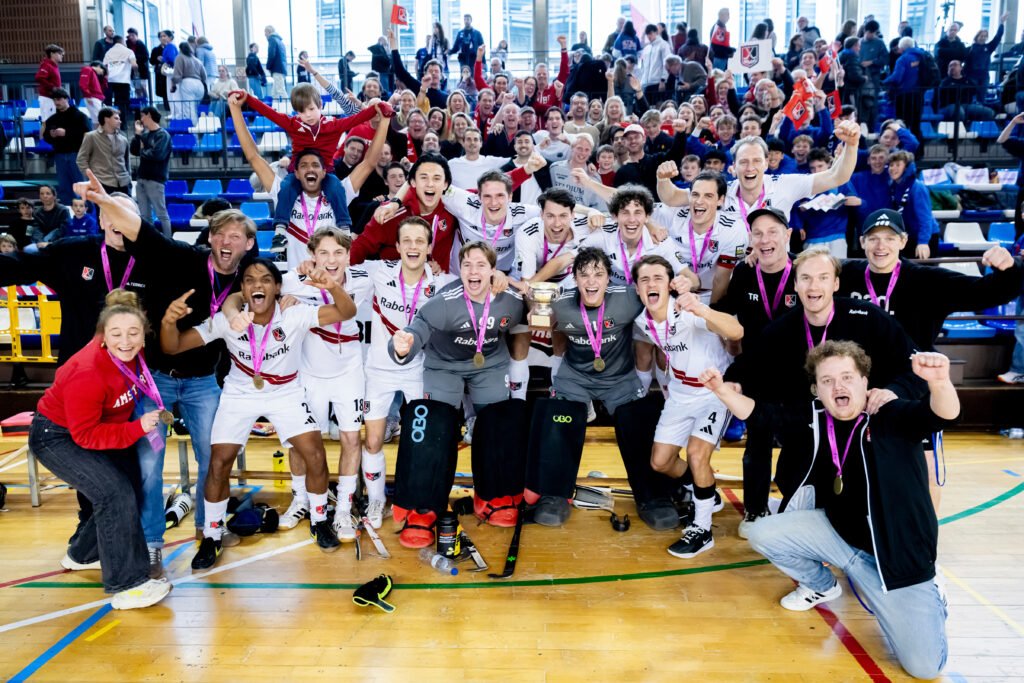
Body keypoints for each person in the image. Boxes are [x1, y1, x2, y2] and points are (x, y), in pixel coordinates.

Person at [705, 342, 956, 680]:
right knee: (761, 532)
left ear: (866, 382)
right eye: (827, 380)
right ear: (817, 389)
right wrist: (721, 391)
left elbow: (940, 414)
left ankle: (933, 595)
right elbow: (761, 413)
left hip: (897, 565)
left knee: (925, 668)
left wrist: (939, 383)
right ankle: (821, 585)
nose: (838, 387)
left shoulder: (891, 415)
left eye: (847, 377)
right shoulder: (813, 418)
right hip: (843, 541)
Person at [161, 258, 356, 568]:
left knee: (315, 454)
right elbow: (173, 348)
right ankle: (212, 536)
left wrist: (332, 286)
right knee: (218, 462)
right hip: (240, 392)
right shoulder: (229, 320)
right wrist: (168, 322)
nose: (257, 285)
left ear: (277, 288)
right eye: (250, 280)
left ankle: (319, 520)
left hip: (286, 392)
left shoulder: (294, 314)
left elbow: (347, 312)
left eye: (266, 279)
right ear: (243, 289)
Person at [29, 289, 172, 609]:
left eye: (133, 333)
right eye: (117, 334)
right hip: (57, 435)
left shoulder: (134, 354)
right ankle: (128, 585)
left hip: (100, 426)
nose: (126, 340)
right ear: (103, 337)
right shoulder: (87, 371)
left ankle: (82, 554)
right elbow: (85, 436)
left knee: (130, 486)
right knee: (114, 492)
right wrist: (137, 428)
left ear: (144, 336)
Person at [388, 241, 524, 545]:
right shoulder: (444, 301)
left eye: (480, 265)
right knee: (432, 423)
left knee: (499, 419)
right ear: (459, 270)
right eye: (467, 265)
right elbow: (417, 329)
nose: (473, 271)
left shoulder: (510, 300)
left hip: (489, 364)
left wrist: (515, 283)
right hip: (444, 365)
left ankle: (493, 495)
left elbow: (534, 310)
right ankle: (421, 508)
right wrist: (402, 346)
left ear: (492, 270)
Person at [633, 255, 743, 553]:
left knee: (697, 455)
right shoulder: (643, 320)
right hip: (680, 394)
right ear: (637, 288)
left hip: (712, 393)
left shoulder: (687, 309)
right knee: (660, 462)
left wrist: (700, 307)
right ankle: (704, 491)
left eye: (658, 278)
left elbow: (736, 331)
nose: (651, 284)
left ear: (669, 285)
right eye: (644, 279)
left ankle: (702, 529)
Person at [713, 206, 798, 532]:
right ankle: (755, 509)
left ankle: (794, 505)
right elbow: (727, 313)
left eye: (773, 232)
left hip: (797, 376)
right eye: (758, 233)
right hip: (758, 372)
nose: (765, 240)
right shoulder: (746, 273)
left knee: (797, 446)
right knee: (757, 446)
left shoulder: (804, 270)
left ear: (787, 235)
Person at [233, 89, 382, 240]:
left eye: (311, 109)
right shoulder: (293, 124)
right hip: (296, 175)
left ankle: (344, 227)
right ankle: (280, 229)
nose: (308, 115)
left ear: (320, 105)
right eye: (301, 111)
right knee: (285, 188)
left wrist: (377, 110)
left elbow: (357, 119)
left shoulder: (333, 124)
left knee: (337, 189)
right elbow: (269, 112)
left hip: (327, 174)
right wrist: (248, 99)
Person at [42, 88, 90, 206]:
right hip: (60, 155)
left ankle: (87, 215)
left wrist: (66, 132)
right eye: (54, 100)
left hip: (76, 154)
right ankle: (68, 213)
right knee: (64, 186)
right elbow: (46, 136)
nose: (56, 102)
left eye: (59, 99)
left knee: (80, 185)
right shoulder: (52, 119)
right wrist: (51, 135)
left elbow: (87, 135)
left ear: (66, 99)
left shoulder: (80, 116)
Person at [886, 151, 938, 258]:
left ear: (907, 168)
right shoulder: (893, 186)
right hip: (908, 236)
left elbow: (925, 218)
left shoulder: (917, 187)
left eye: (898, 165)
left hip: (925, 237)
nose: (893, 168)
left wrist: (923, 242)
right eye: (891, 165)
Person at [130, 106, 172, 237]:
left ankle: (168, 242)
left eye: (142, 116)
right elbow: (134, 150)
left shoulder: (163, 135)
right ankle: (150, 242)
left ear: (148, 115)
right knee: (144, 215)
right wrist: (137, 135)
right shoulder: (145, 135)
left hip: (155, 178)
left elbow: (157, 155)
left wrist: (143, 150)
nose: (141, 119)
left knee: (161, 214)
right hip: (142, 177)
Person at [77, 108, 131, 195]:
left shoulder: (123, 139)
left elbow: (126, 162)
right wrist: (92, 178)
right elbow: (81, 160)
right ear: (106, 119)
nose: (120, 121)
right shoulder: (91, 137)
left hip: (123, 183)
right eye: (116, 118)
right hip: (102, 182)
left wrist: (129, 179)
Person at [965, 14, 1008, 102]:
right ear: (977, 37)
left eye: (985, 36)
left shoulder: (989, 47)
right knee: (970, 97)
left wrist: (1002, 23)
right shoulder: (969, 49)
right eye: (981, 36)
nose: (983, 38)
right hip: (971, 77)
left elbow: (997, 38)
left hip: (984, 76)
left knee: (981, 98)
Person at [103, 36, 137, 129]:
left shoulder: (108, 52)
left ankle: (109, 124)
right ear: (122, 42)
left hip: (110, 81)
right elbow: (134, 65)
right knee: (122, 104)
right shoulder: (129, 51)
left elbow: (104, 67)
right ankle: (122, 125)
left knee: (109, 104)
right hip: (123, 81)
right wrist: (136, 72)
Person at [170, 42, 206, 124]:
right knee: (194, 109)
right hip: (200, 85)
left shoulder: (180, 57)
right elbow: (204, 76)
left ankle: (193, 132)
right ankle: (198, 128)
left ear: (180, 49)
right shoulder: (197, 60)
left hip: (187, 84)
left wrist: (173, 84)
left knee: (188, 110)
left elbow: (177, 75)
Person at [639, 24, 671, 105]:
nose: (649, 36)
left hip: (657, 82)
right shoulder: (646, 48)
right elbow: (643, 67)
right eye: (647, 34)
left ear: (656, 32)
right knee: (646, 108)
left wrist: (663, 80)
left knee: (657, 107)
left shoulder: (664, 45)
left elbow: (666, 63)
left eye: (651, 33)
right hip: (645, 83)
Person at [35, 44, 64, 123]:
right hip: (47, 98)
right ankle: (45, 136)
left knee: (50, 122)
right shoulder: (46, 65)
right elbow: (39, 77)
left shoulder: (54, 66)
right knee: (47, 122)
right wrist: (52, 88)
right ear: (52, 54)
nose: (62, 55)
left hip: (51, 98)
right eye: (60, 53)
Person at [150, 30, 177, 110]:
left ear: (169, 37)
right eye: (161, 36)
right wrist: (157, 59)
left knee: (170, 91)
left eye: (164, 36)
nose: (163, 38)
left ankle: (171, 110)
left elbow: (173, 59)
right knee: (164, 92)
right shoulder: (155, 49)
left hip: (170, 72)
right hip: (160, 73)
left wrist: (164, 59)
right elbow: (151, 61)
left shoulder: (171, 47)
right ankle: (167, 109)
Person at [125, 28, 150, 99]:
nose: (131, 37)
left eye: (133, 35)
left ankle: (145, 101)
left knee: (142, 87)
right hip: (132, 70)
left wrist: (134, 59)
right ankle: (138, 104)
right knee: (136, 88)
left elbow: (146, 56)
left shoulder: (141, 44)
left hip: (141, 70)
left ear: (136, 35)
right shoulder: (127, 44)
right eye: (130, 35)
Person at [265, 25, 288, 99]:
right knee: (274, 92)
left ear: (269, 32)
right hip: (281, 68)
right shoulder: (280, 41)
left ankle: (290, 107)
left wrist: (268, 66)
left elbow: (271, 54)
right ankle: (274, 109)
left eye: (265, 32)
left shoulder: (272, 40)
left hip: (277, 69)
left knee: (280, 90)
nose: (265, 35)